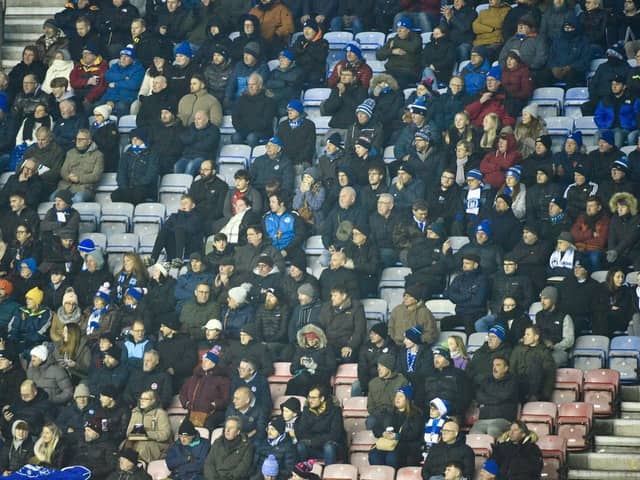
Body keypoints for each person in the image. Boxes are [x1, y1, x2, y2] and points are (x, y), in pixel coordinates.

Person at [368, 385, 423, 469]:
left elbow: (414, 434)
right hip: (387, 444)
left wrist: (397, 436)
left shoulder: (415, 415)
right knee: (374, 455)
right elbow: (376, 428)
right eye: (396, 396)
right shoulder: (388, 412)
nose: (397, 399)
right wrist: (383, 433)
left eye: (400, 396)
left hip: (405, 446)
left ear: (407, 399)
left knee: (392, 457)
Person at [180, 348, 231, 430]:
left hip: (212, 413)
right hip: (193, 412)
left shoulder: (222, 379)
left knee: (207, 425)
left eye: (207, 361)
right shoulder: (195, 377)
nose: (203, 363)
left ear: (214, 363)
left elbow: (226, 399)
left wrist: (214, 405)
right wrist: (186, 403)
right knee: (184, 429)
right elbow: (183, 392)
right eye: (203, 360)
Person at [295, 384, 345, 465]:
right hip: (313, 447)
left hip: (332, 448)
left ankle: (329, 473)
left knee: (328, 446)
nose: (310, 400)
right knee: (301, 445)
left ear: (322, 398)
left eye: (313, 398)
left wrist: (313, 441)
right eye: (309, 397)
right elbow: (302, 433)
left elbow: (335, 435)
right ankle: (302, 473)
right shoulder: (306, 411)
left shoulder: (335, 411)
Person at [111, 128, 159, 205]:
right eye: (132, 138)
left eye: (137, 138)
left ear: (143, 139)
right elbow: (121, 173)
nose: (134, 141)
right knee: (115, 195)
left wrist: (137, 184)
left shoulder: (152, 154)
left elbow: (151, 174)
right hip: (128, 187)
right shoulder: (127, 154)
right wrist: (124, 187)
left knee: (137, 195)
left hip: (144, 187)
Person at [126, 390, 172, 463]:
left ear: (153, 401)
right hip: (137, 440)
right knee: (125, 445)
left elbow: (165, 435)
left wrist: (146, 434)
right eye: (141, 398)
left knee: (142, 447)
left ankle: (139, 467)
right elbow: (128, 431)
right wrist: (135, 434)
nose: (142, 401)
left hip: (158, 444)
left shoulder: (160, 413)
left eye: (145, 399)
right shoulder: (136, 412)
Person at [376, 18, 422, 88]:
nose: (399, 31)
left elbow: (413, 48)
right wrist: (391, 51)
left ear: (408, 30)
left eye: (402, 28)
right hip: (392, 70)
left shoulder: (416, 38)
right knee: (376, 80)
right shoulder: (392, 40)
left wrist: (395, 43)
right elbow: (379, 55)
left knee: (396, 83)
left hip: (408, 72)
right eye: (398, 28)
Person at [203, 416, 254, 480]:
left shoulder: (247, 446)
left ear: (238, 431)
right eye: (226, 427)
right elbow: (209, 463)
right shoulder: (217, 442)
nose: (227, 430)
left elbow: (243, 469)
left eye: (231, 428)